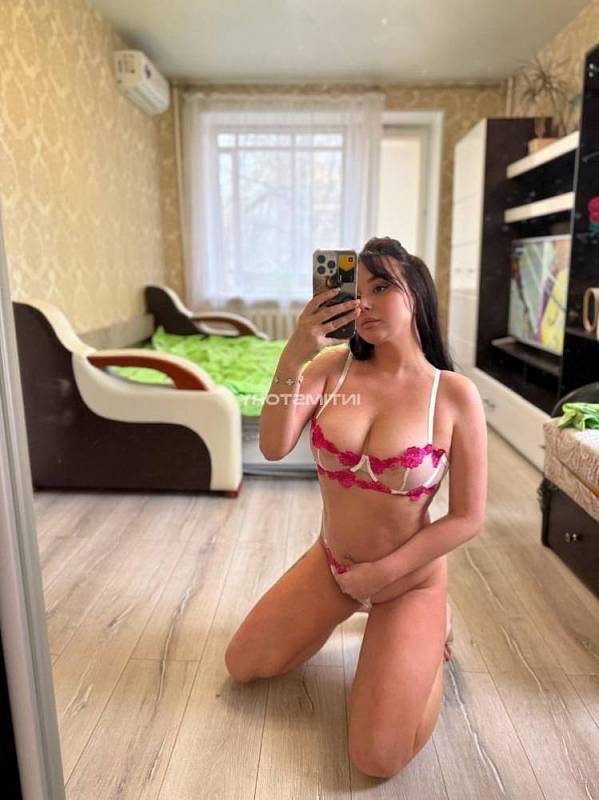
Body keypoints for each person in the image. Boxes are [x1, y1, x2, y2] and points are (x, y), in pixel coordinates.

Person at [224, 237, 487, 779]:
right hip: (334, 565)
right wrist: (294, 353)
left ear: (417, 293)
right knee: (244, 664)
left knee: (376, 757)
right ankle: (354, 618)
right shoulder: (330, 369)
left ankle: (431, 630)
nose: (364, 303)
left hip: (408, 580)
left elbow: (468, 517)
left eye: (382, 287)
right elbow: (273, 445)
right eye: (356, 290)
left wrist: (381, 575)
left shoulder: (453, 395)